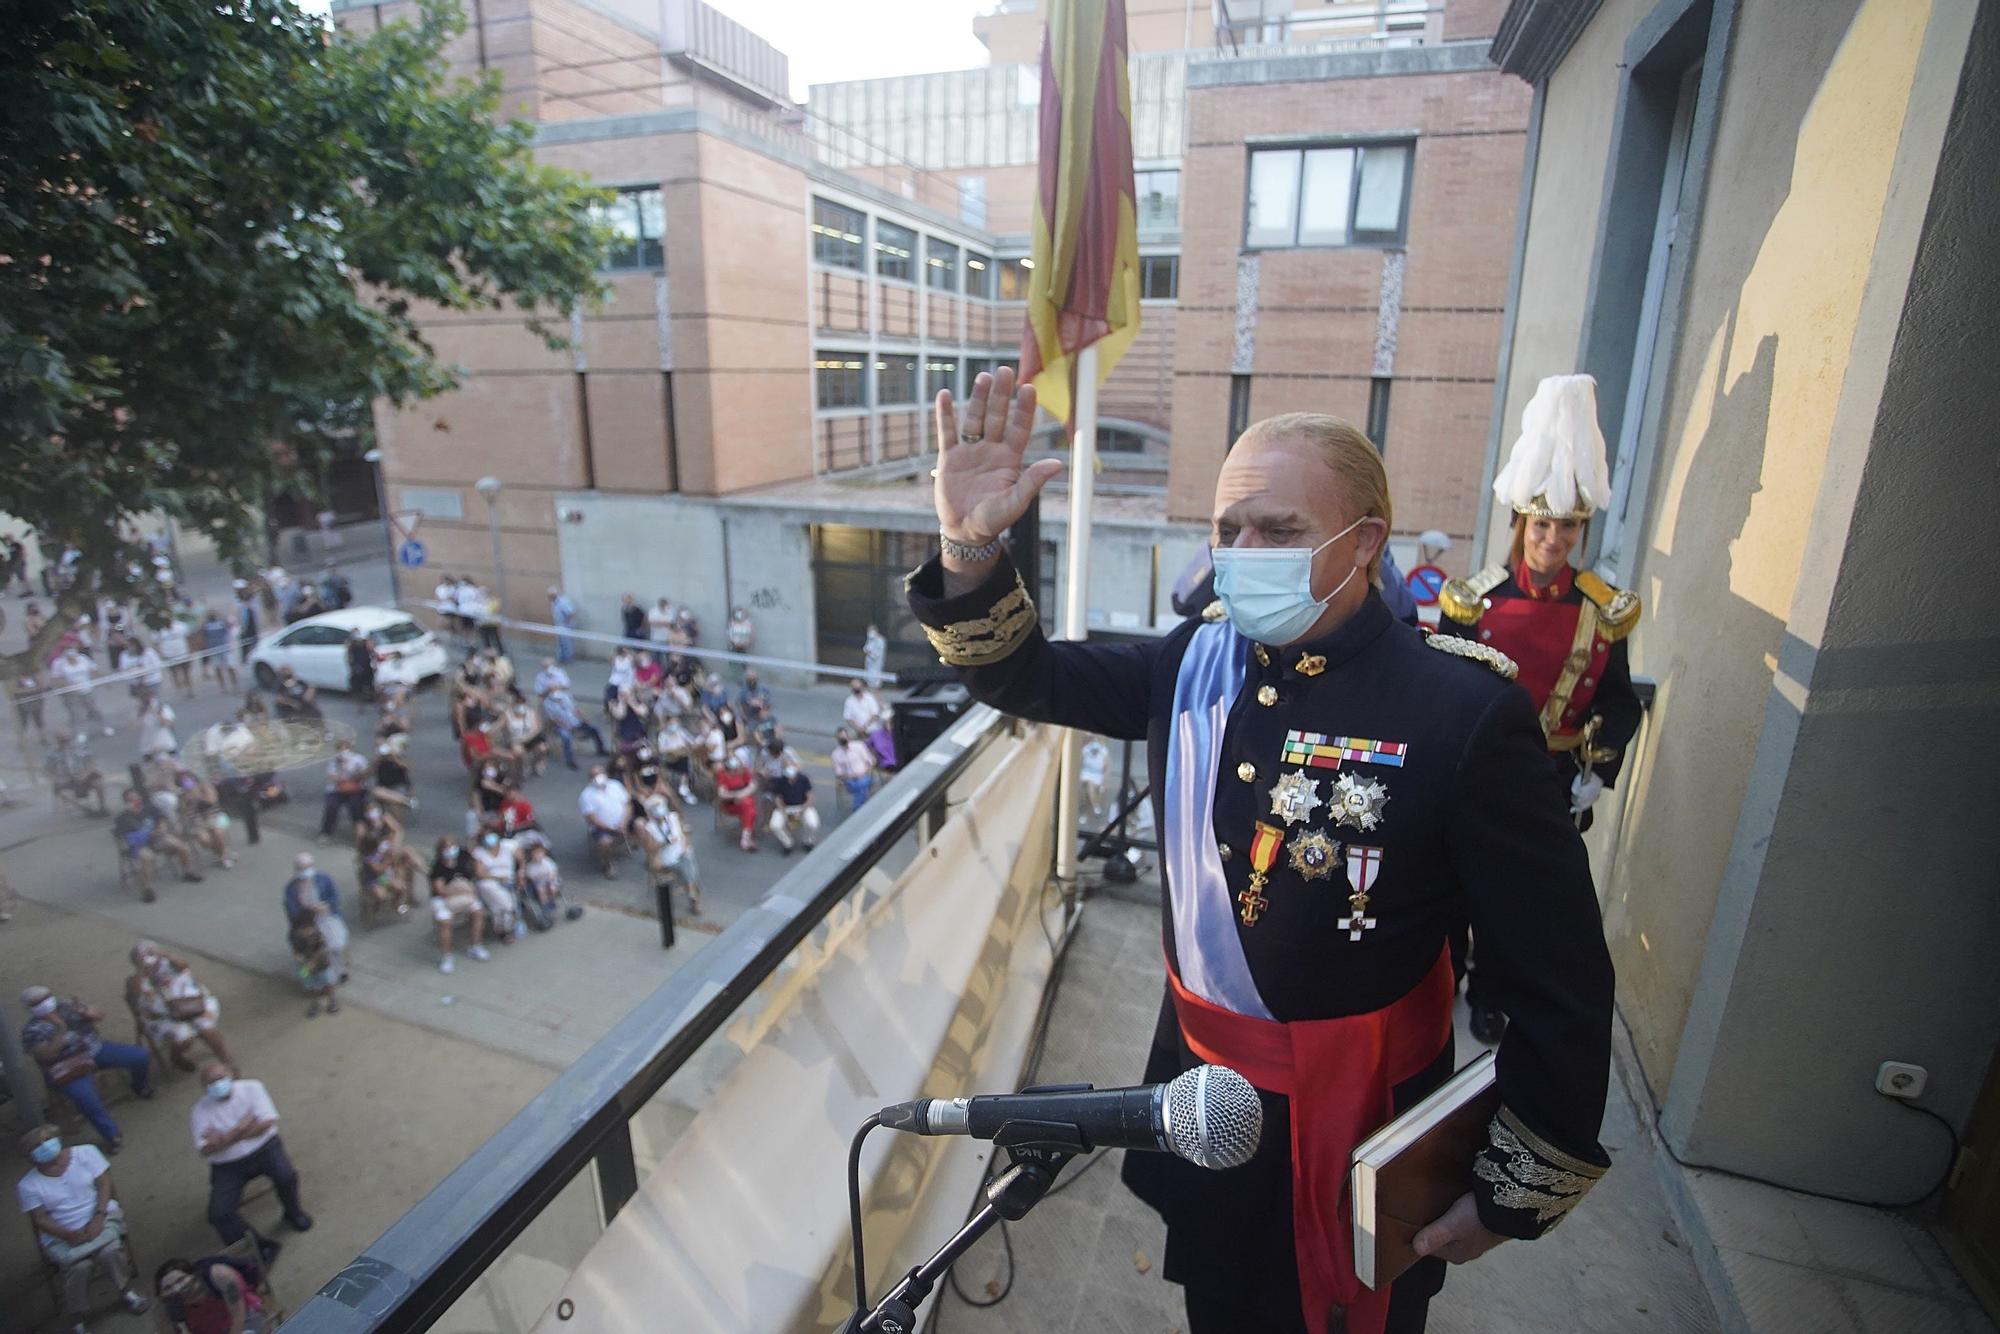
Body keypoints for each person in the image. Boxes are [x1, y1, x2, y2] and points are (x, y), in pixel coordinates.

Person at [907, 368, 1614, 1334]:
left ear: (1363, 543)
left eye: (1276, 531)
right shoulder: (1192, 661)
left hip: (1370, 1128)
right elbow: (1022, 675)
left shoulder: (1462, 712)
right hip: (1211, 1113)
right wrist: (972, 543)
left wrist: (1510, 1189)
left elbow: (1560, 977)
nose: (1241, 554)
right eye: (1227, 529)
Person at [1437, 374, 1644, 1045]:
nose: (1553, 541)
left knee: (1518, 898)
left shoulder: (1601, 609)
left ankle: (1493, 992)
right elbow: (1445, 690)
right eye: (1542, 525)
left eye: (1568, 527)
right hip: (1475, 770)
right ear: (1521, 524)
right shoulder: (1473, 601)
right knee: (1454, 883)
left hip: (1552, 779)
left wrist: (1598, 770)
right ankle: (1443, 977)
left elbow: (1616, 700)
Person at [18, 1125, 151, 1332]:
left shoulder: (86, 1153)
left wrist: (99, 1217)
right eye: (37, 1146)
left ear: (57, 1138)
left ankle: (126, 1291)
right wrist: (68, 1234)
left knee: (109, 1252)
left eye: (47, 1139)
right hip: (63, 1234)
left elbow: (105, 1184)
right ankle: (78, 1315)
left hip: (100, 1217)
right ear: (30, 1156)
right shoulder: (28, 1185)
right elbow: (40, 1219)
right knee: (80, 1267)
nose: (44, 1146)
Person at [190, 1063, 311, 1258]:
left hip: (265, 1149)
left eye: (221, 1078)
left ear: (230, 1075)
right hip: (227, 1166)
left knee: (286, 1176)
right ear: (204, 1088)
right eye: (211, 1082)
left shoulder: (252, 1088)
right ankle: (259, 1248)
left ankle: (293, 1213)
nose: (218, 1084)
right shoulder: (199, 1111)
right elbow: (206, 1149)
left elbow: (266, 1123)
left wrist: (224, 1138)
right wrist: (242, 1127)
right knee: (218, 1214)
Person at [20, 985, 155, 1153]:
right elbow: (45, 1055)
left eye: (46, 997)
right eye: (37, 1002)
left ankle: (139, 1085)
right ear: (29, 1007)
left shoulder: (68, 1006)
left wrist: (86, 1012)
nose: (44, 1003)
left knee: (140, 1056)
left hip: (96, 1050)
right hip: (68, 1066)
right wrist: (61, 1029)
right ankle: (112, 1135)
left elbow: (100, 1015)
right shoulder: (31, 1030)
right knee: (85, 1098)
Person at [128, 943, 234, 1072]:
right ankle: (176, 1057)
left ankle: (225, 1060)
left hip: (193, 1007)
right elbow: (135, 993)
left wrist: (161, 954)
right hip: (164, 1018)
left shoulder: (169, 964)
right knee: (183, 1038)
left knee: (208, 1029)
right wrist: (141, 968)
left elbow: (184, 964)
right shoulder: (135, 979)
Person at [115, 787, 202, 900]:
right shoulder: (123, 817)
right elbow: (125, 838)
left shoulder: (149, 808)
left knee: (182, 846)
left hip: (157, 838)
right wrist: (147, 835)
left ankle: (187, 872)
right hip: (139, 844)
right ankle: (147, 889)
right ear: (126, 802)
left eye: (136, 798)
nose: (135, 801)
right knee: (147, 857)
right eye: (131, 800)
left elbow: (161, 819)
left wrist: (161, 827)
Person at [154, 1254, 269, 1334]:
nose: (177, 1288)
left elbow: (239, 1313)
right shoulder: (169, 1303)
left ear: (193, 1274)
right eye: (168, 1288)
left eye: (180, 1280)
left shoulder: (220, 1276)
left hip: (245, 1319)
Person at [281, 853, 347, 984]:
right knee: (308, 947)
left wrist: (326, 906)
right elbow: (293, 911)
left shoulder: (323, 879)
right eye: (301, 867)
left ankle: (339, 970)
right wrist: (309, 912)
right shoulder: (291, 888)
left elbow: (334, 898)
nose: (304, 871)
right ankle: (312, 979)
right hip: (306, 922)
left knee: (336, 944)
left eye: (307, 867)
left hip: (327, 917)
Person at [578, 765, 632, 878]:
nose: (598, 777)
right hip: (603, 827)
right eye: (594, 775)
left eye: (600, 774)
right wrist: (611, 828)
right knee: (605, 842)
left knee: (641, 825)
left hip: (623, 822)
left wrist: (624, 822)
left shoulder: (616, 785)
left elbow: (628, 805)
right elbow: (592, 819)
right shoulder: (586, 795)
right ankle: (609, 864)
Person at [469, 830, 522, 938]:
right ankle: (504, 929)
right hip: (489, 883)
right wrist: (498, 878)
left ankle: (503, 930)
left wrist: (521, 873)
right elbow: (480, 874)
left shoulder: (507, 845)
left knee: (498, 907)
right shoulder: (479, 852)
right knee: (506, 905)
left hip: (508, 879)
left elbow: (521, 859)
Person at [542, 685, 607, 771]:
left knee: (594, 728)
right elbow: (553, 719)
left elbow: (575, 710)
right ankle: (570, 760)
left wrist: (583, 719)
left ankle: (600, 749)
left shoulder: (566, 697)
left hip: (575, 722)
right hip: (561, 726)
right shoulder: (547, 703)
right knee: (566, 737)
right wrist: (566, 726)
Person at [53, 644, 112, 737]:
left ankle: (105, 726)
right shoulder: (59, 663)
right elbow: (57, 678)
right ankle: (81, 732)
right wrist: (69, 687)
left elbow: (93, 670)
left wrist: (104, 681)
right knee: (77, 714)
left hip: (87, 690)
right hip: (72, 693)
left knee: (94, 709)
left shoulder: (83, 658)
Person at [46, 730, 108, 815]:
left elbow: (91, 762)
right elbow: (48, 769)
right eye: (62, 741)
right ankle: (86, 810)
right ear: (57, 741)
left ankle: (103, 807)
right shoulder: (52, 753)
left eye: (67, 740)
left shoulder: (80, 747)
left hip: (83, 774)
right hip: (67, 778)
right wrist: (57, 778)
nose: (66, 743)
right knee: (58, 789)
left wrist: (85, 774)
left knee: (98, 781)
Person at [318, 737, 369, 842]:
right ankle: (326, 833)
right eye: (341, 749)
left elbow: (364, 776)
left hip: (355, 789)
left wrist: (352, 771)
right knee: (332, 806)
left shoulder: (359, 759)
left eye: (346, 748)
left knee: (356, 806)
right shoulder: (334, 762)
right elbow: (332, 778)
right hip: (338, 790)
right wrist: (342, 768)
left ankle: (360, 835)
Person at [765, 759, 818, 856]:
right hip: (786, 807)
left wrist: (801, 811)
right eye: (786, 767)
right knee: (775, 825)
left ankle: (808, 841)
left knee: (813, 823)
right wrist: (784, 813)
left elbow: (810, 797)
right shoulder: (780, 781)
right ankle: (788, 843)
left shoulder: (804, 779)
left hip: (802, 806)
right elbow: (778, 799)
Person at [287, 921, 339, 1017]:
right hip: (305, 967)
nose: (306, 932)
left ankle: (332, 1001)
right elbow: (295, 952)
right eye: (303, 930)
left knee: (328, 983)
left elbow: (323, 950)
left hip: (322, 965)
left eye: (308, 929)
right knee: (309, 986)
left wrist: (312, 962)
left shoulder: (318, 935)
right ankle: (315, 1004)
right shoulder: (296, 938)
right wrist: (298, 958)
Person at [714, 754, 758, 852]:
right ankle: (746, 838)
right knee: (750, 810)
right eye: (731, 770)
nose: (734, 772)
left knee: (748, 807)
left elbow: (752, 786)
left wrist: (741, 794)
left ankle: (745, 838)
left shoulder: (743, 770)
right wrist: (735, 795)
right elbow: (722, 794)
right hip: (731, 803)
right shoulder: (721, 774)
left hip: (744, 798)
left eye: (735, 769)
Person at [830, 728, 876, 809]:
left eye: (844, 737)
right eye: (840, 738)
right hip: (849, 780)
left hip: (864, 775)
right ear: (837, 739)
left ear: (848, 737)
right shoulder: (835, 754)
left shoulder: (859, 746)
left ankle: (857, 808)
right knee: (859, 787)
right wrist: (851, 776)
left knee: (861, 783)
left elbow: (870, 761)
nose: (843, 739)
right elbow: (839, 773)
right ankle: (859, 806)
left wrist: (862, 772)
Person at [199, 605, 240, 692]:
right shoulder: (206, 625)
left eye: (213, 614)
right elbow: (202, 635)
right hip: (214, 651)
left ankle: (235, 686)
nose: (212, 615)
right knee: (218, 669)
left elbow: (230, 626)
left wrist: (224, 616)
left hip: (225, 649)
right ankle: (223, 687)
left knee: (230, 667)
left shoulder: (222, 622)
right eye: (210, 614)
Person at [159, 613, 196, 695]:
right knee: (174, 673)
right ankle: (179, 690)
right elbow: (157, 643)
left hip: (183, 653)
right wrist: (161, 654)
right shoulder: (160, 630)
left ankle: (190, 689)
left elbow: (188, 637)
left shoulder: (181, 626)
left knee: (186, 672)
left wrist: (191, 649)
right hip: (169, 655)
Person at [10, 669, 48, 743]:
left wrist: (29, 690)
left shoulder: (34, 677)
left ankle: (43, 738)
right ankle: (22, 741)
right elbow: (14, 690)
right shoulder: (16, 679)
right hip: (22, 704)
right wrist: (29, 690)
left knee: (39, 720)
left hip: (36, 702)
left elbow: (41, 686)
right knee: (23, 722)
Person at [139, 694, 179, 760]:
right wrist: (142, 713)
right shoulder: (141, 711)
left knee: (172, 764)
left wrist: (156, 713)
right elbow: (133, 726)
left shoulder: (163, 708)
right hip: (148, 747)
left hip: (166, 744)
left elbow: (168, 723)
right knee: (151, 767)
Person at [1079, 735, 1110, 818]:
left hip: (1097, 775)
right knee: (1081, 787)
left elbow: (1107, 767)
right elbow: (1080, 762)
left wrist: (1104, 781)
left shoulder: (1104, 751)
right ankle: (1084, 809)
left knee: (1090, 786)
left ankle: (1094, 805)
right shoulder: (1086, 749)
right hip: (1086, 772)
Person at [344, 629, 377, 702]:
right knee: (357, 688)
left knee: (369, 685)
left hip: (367, 667)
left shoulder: (366, 643)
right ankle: (360, 703)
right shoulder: (351, 645)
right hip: (357, 668)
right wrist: (352, 667)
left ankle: (370, 698)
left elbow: (373, 653)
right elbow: (349, 657)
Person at [548, 586, 578, 663]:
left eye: (551, 595)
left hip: (564, 625)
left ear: (555, 594)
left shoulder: (562, 602)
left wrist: (566, 624)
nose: (549, 597)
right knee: (561, 642)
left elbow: (571, 613)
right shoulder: (553, 602)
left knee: (566, 643)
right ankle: (562, 658)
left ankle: (568, 658)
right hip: (559, 624)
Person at [862, 622, 888, 688]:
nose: (869, 632)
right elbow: (866, 648)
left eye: (870, 630)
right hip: (868, 665)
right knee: (868, 683)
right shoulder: (870, 639)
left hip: (876, 667)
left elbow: (876, 655)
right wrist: (867, 651)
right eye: (868, 630)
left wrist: (869, 653)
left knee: (874, 684)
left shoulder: (880, 641)